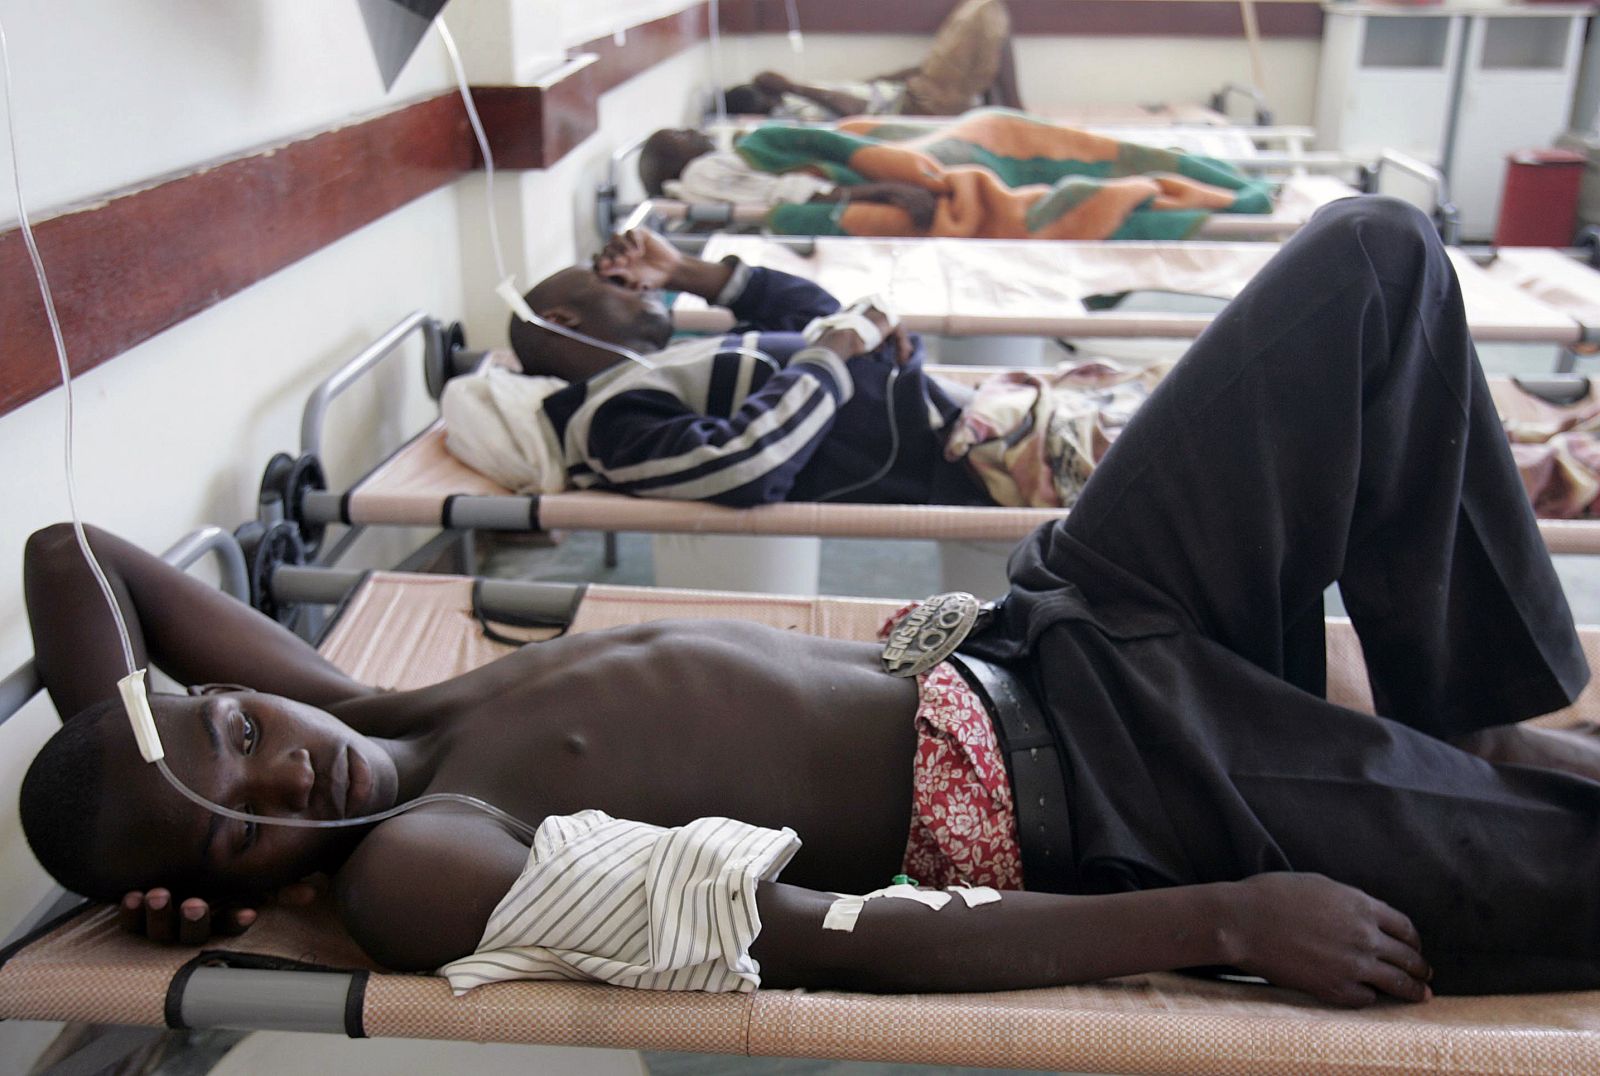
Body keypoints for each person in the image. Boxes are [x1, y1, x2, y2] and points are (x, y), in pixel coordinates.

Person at [22, 198, 1600, 1006]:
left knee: (1378, 260)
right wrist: (1227, 918)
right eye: (246, 823)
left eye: (240, 726)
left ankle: (1459, 728)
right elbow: (823, 941)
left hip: (1062, 630)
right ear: (240, 887)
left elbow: (68, 557)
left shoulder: (358, 711)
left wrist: (145, 758)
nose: (286, 769)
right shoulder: (417, 866)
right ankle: (1458, 791)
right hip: (1123, 791)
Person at [497, 226, 993, 507]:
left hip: (976, 412)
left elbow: (816, 317)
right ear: (561, 320)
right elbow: (739, 465)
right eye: (617, 285)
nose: (643, 286)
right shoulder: (606, 417)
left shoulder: (671, 364)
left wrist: (684, 271)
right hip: (968, 456)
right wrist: (833, 351)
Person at [722, 0, 1022, 121]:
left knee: (981, 15)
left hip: (916, 87)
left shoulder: (797, 98)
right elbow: (855, 108)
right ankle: (1012, 105)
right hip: (924, 102)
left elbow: (863, 89)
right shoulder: (794, 110)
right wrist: (791, 86)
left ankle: (1004, 105)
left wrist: (904, 74)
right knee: (984, 14)